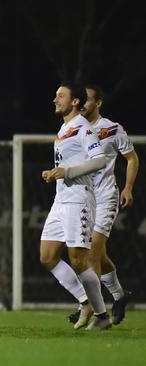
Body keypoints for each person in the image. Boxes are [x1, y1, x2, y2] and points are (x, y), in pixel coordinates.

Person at [39, 81, 111, 331]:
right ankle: (85, 300)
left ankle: (102, 316)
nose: (55, 99)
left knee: (79, 261)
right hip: (61, 200)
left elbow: (99, 160)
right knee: (47, 257)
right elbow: (67, 164)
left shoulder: (83, 127)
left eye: (60, 96)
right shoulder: (64, 129)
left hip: (79, 198)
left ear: (75, 101)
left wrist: (68, 171)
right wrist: (55, 173)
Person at [80, 84, 138, 325]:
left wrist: (127, 188)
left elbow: (132, 158)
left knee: (92, 251)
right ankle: (119, 295)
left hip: (106, 197)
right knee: (98, 254)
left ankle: (94, 310)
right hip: (82, 199)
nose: (81, 104)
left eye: (86, 100)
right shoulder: (73, 129)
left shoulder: (112, 129)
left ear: (98, 103)